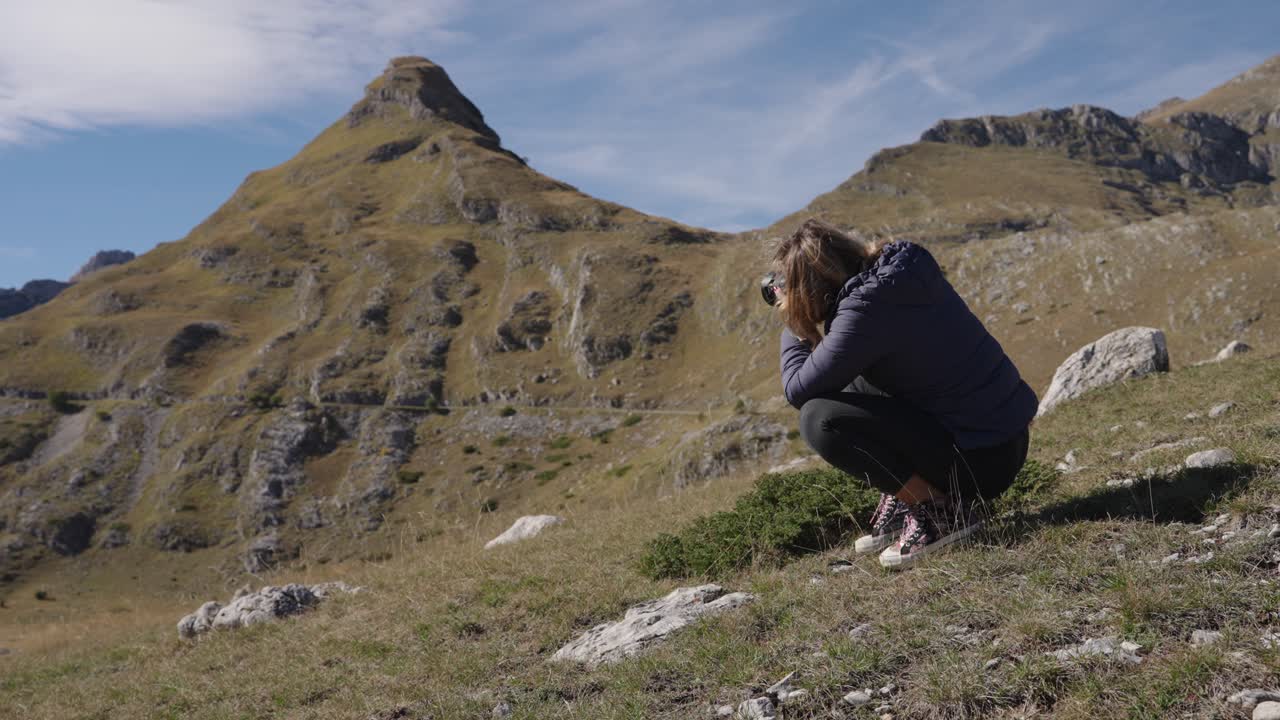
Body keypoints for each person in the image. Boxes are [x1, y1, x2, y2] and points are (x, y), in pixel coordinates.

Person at [767, 218, 1037, 569]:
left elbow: (798, 390)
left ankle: (940, 511)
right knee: (848, 384)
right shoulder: (898, 273)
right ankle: (909, 498)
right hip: (1002, 440)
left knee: (820, 419)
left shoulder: (865, 311)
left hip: (982, 462)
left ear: (812, 288)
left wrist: (795, 325)